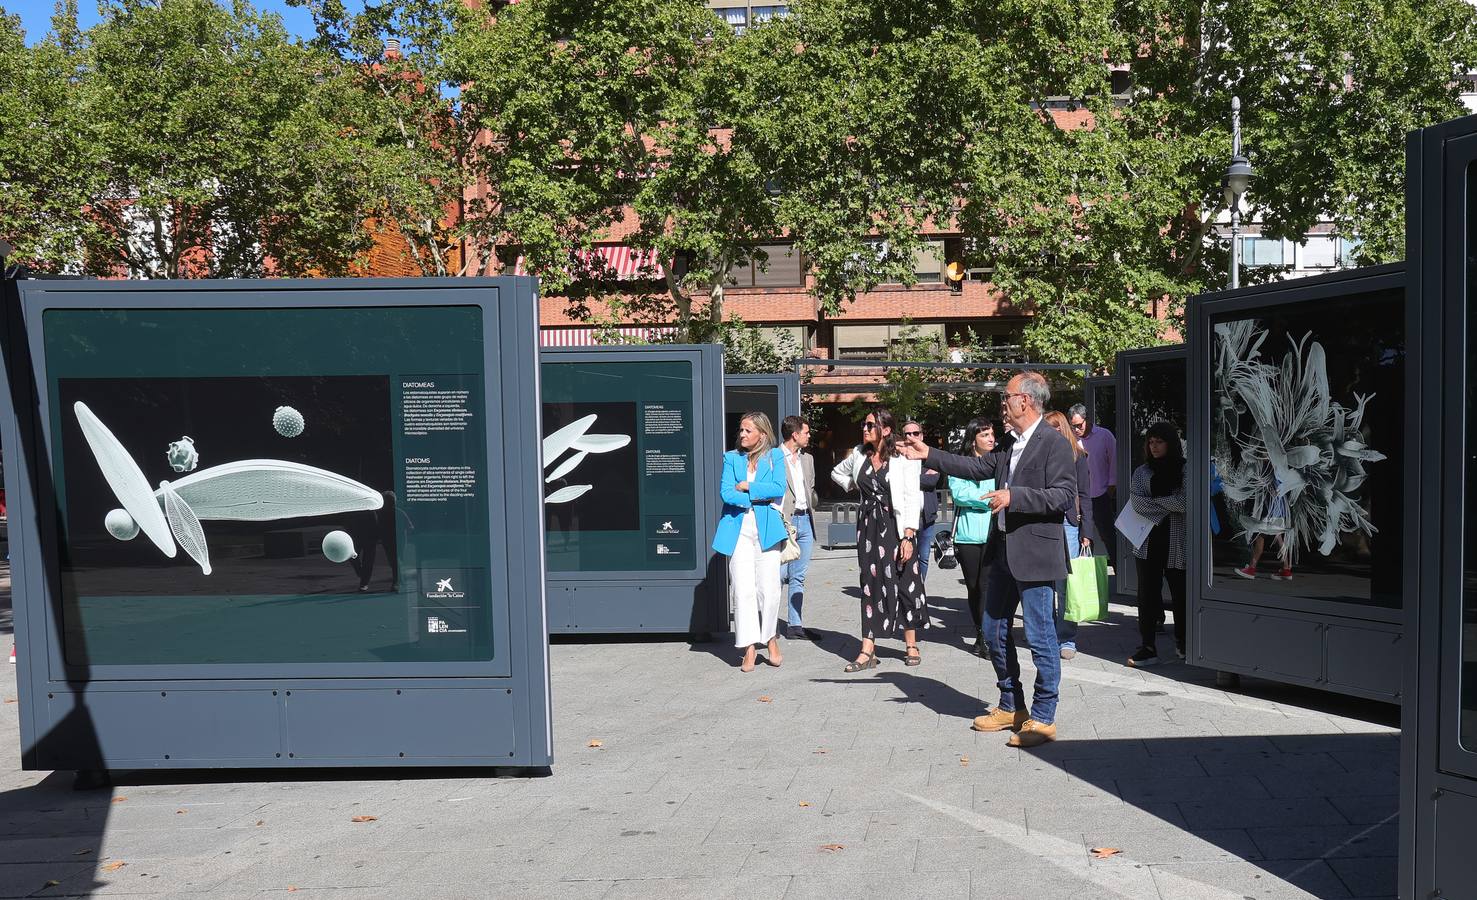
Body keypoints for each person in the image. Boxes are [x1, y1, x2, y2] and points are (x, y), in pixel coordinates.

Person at [902, 373, 1076, 747]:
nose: (1002, 403)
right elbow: (975, 468)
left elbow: (1063, 495)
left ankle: (1043, 717)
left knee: (1040, 635)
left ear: (1025, 401)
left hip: (1036, 554)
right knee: (993, 629)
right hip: (1002, 552)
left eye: (1006, 396)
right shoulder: (1011, 444)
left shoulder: (1053, 443)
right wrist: (928, 454)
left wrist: (1015, 497)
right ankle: (1011, 705)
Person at [834, 407, 926, 672]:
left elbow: (911, 497)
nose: (865, 429)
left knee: (905, 582)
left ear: (885, 430)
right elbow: (836, 473)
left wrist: (908, 535)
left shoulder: (902, 457)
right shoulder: (859, 455)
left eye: (871, 425)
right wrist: (852, 483)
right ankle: (867, 650)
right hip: (868, 529)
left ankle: (911, 644)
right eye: (864, 425)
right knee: (870, 585)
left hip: (896, 528)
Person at [712, 412, 788, 672]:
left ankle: (770, 639)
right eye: (741, 430)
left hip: (767, 529)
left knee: (770, 589)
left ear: (762, 435)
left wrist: (747, 487)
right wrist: (755, 497)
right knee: (742, 590)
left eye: (747, 430)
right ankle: (749, 648)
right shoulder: (731, 458)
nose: (742, 434)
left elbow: (779, 488)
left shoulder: (775, 456)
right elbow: (726, 493)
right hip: (738, 529)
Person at [1126, 421, 1187, 667]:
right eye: (1150, 442)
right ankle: (1148, 646)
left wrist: (1157, 503)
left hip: (1176, 542)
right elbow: (1137, 503)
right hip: (1147, 542)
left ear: (1170, 443)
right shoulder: (1142, 472)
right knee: (1147, 596)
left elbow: (1186, 503)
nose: (1154, 447)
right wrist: (1169, 504)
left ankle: (1184, 642)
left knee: (1181, 596)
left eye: (1159, 442)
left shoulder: (1185, 469)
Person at [1043, 411, 1093, 660]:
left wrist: (1087, 531)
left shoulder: (1078, 456)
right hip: (1044, 521)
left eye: (1055, 429)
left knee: (1066, 585)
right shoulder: (1040, 455)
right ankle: (1047, 635)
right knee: (1044, 583)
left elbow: (1085, 494)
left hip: (1069, 523)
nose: (1051, 434)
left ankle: (1067, 638)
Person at [947, 418, 998, 658]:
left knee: (987, 586)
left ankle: (986, 637)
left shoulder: (998, 460)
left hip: (992, 532)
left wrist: (976, 497)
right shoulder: (961, 463)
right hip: (967, 536)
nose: (991, 439)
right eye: (985, 435)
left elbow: (1001, 490)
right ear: (973, 439)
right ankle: (979, 631)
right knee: (973, 586)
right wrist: (988, 499)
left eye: (991, 434)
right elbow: (959, 494)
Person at [779, 415, 820, 641]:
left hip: (806, 521)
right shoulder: (773, 458)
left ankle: (795, 625)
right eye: (806, 432)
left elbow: (809, 487)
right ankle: (765, 623)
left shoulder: (808, 459)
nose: (809, 435)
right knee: (777, 574)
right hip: (785, 522)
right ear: (795, 434)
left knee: (799, 575)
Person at [1069, 403, 1116, 572]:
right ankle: (1086, 577)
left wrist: (1110, 489)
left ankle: (1119, 572)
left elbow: (1114, 463)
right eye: (1072, 426)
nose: (1076, 429)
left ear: (1087, 420)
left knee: (1109, 537)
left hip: (1100, 494)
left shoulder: (1104, 436)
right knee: (1084, 538)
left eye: (1079, 425)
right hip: (1079, 498)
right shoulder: (1072, 440)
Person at [903, 419, 942, 584]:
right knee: (905, 554)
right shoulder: (899, 457)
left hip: (926, 514)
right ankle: (906, 588)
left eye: (915, 433)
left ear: (922, 435)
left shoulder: (930, 456)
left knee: (924, 556)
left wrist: (908, 478)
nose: (912, 436)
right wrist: (922, 477)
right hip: (905, 516)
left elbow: (933, 481)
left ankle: (920, 588)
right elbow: (895, 481)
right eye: (908, 434)